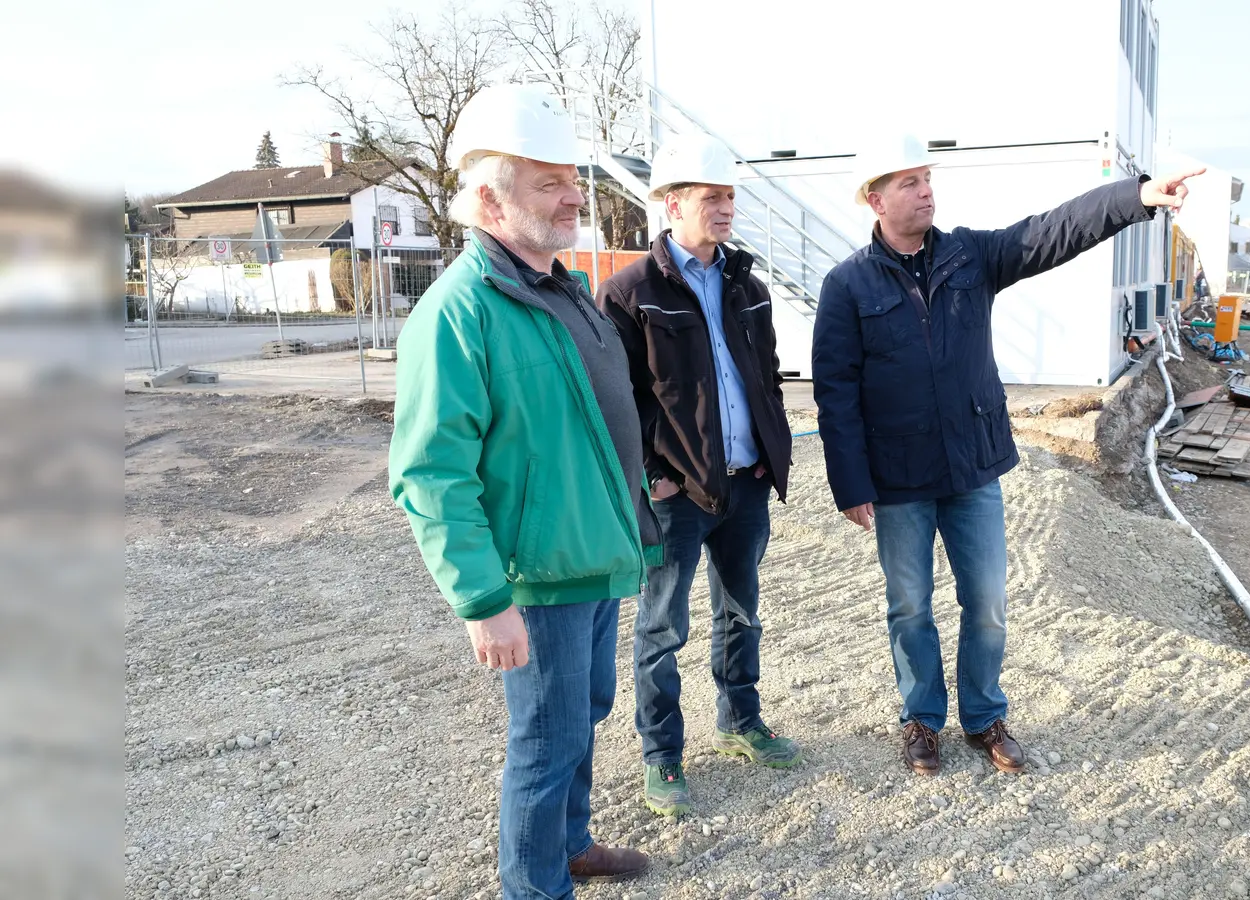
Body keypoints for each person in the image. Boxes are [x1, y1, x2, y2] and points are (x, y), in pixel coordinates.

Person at [811, 133, 1202, 776]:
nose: (927, 189)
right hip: (900, 477)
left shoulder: (971, 255)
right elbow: (835, 392)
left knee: (988, 601)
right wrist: (850, 483)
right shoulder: (847, 285)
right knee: (910, 605)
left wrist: (1136, 197)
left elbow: (1053, 232)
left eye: (927, 177)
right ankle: (921, 718)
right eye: (909, 182)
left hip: (972, 467)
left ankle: (985, 715)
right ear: (876, 200)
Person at [388, 83, 661, 899]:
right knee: (544, 747)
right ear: (487, 199)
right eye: (548, 182)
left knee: (582, 722)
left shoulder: (559, 288)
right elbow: (430, 473)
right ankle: (535, 887)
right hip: (536, 580)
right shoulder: (460, 313)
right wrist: (482, 598)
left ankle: (567, 845)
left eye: (570, 178)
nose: (573, 194)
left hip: (593, 556)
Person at [598, 133, 799, 818]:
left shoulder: (748, 285)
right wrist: (651, 474)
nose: (726, 208)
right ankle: (662, 757)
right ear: (673, 204)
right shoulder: (629, 294)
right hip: (677, 495)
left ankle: (740, 723)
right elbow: (617, 400)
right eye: (712, 197)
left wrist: (773, 449)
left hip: (744, 484)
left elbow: (765, 378)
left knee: (742, 612)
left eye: (730, 196)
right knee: (661, 627)